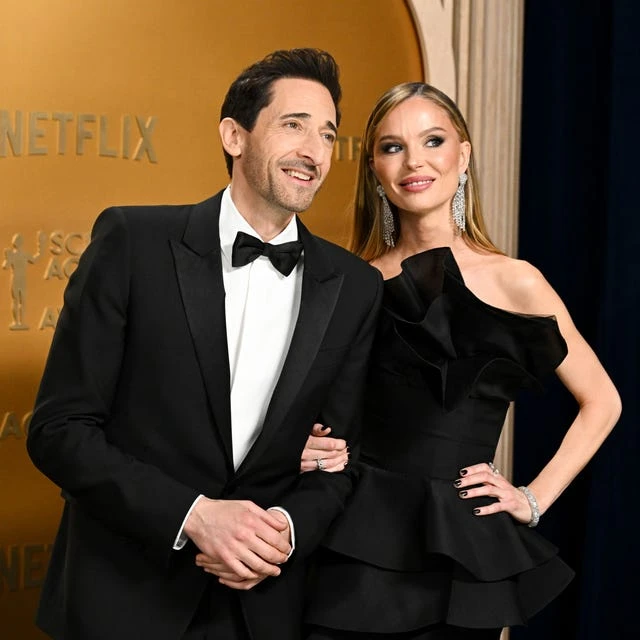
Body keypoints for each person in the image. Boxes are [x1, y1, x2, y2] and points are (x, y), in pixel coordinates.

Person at [26, 48, 382, 640]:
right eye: (293, 125)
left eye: (327, 134)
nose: (314, 152)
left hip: (261, 606)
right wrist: (194, 517)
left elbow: (340, 462)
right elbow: (60, 430)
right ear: (234, 136)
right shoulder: (133, 243)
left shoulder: (353, 286)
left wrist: (284, 531)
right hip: (124, 599)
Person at [298, 82, 622, 639]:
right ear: (373, 167)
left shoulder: (515, 280)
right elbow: (311, 405)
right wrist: (303, 446)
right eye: (392, 147)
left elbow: (603, 401)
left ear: (464, 154)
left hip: (458, 548)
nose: (414, 161)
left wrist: (532, 498)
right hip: (350, 536)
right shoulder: (352, 281)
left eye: (433, 140)